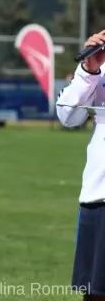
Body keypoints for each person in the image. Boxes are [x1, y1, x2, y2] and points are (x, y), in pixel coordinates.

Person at [57, 30, 105, 301]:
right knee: (95, 292)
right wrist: (89, 70)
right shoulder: (98, 66)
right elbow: (68, 116)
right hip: (99, 196)